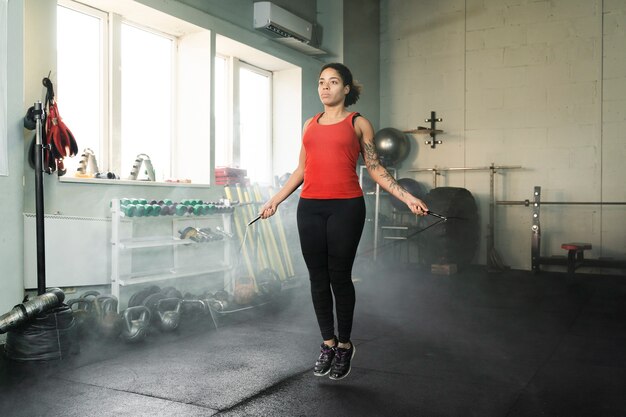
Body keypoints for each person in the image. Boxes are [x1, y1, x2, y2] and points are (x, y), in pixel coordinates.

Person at [260, 62, 429, 380]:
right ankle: (328, 342)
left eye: (333, 82)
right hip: (309, 207)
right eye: (321, 82)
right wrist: (275, 199)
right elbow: (301, 170)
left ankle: (346, 345)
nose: (325, 87)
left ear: (346, 89)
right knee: (316, 278)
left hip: (346, 207)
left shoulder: (358, 123)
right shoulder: (310, 124)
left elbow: (375, 168)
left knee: (339, 277)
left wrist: (407, 197)